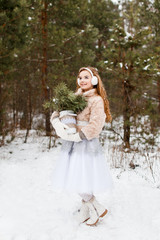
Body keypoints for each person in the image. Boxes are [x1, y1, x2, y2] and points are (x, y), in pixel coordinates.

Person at [50, 66, 113, 226]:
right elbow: (58, 112)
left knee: (79, 176)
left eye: (86, 77)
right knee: (78, 178)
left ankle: (97, 207)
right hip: (71, 142)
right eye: (80, 77)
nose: (82, 80)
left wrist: (79, 135)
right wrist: (57, 122)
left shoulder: (96, 99)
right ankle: (86, 211)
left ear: (93, 80)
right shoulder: (73, 97)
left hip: (86, 143)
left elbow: (96, 124)